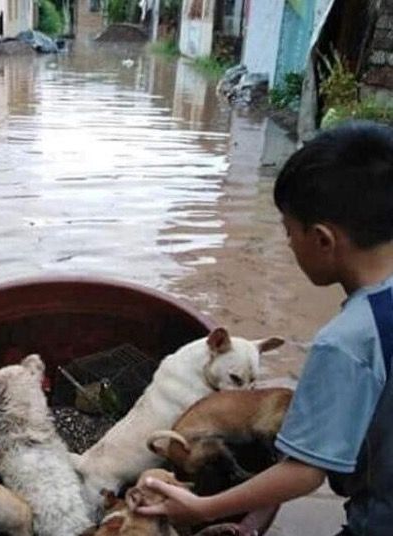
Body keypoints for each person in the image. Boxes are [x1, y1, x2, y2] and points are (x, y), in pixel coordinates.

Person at [137, 121, 393, 536]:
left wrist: (203, 508)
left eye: (288, 232)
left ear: (323, 240)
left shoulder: (347, 341)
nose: (288, 244)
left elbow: (303, 473)